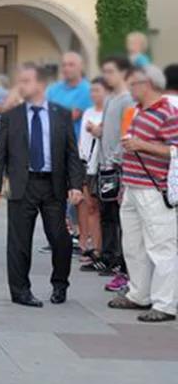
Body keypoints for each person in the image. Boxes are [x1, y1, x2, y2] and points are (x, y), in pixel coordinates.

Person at [0, 63, 84, 308]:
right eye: (20, 81)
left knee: (59, 238)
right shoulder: (12, 116)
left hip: (53, 185)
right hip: (23, 184)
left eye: (27, 80)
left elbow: (72, 152)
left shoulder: (60, 114)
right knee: (19, 241)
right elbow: (0, 154)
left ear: (41, 84)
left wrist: (76, 184)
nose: (22, 85)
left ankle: (60, 284)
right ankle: (20, 291)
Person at [107, 65, 178, 322]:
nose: (130, 88)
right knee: (133, 245)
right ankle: (139, 294)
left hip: (154, 189)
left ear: (147, 84)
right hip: (133, 186)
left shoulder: (168, 113)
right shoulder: (137, 112)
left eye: (134, 83)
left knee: (162, 246)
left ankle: (165, 304)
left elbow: (175, 149)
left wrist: (143, 146)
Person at [93, 56, 133, 288]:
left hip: (117, 167)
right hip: (105, 166)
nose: (107, 76)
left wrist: (116, 160)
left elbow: (125, 133)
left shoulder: (127, 100)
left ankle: (122, 263)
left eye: (110, 71)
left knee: (121, 218)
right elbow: (106, 132)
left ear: (123, 73)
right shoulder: (110, 100)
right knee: (106, 214)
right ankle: (108, 256)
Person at [76, 78, 107, 268]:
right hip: (86, 164)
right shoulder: (88, 111)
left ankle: (101, 248)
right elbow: (82, 139)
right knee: (88, 207)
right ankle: (90, 245)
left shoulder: (109, 112)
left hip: (101, 165)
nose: (94, 94)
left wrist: (97, 131)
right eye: (92, 90)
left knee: (99, 208)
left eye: (98, 90)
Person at [46, 52, 93, 140]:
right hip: (53, 141)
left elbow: (71, 117)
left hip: (74, 144)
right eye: (64, 65)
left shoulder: (87, 90)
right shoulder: (53, 89)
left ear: (81, 67)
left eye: (71, 65)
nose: (66, 68)